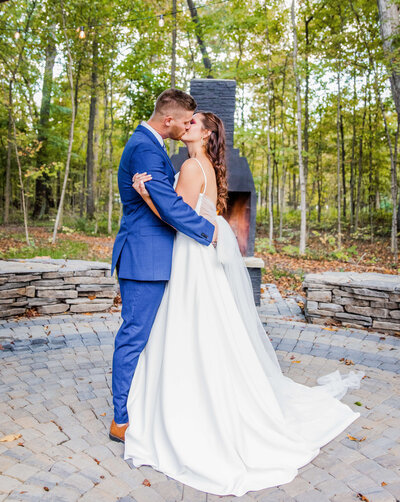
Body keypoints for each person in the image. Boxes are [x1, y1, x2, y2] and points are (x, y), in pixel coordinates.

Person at [125, 110, 364, 497]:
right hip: (201, 255)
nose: (186, 125)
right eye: (186, 121)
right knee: (210, 328)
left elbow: (175, 219)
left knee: (190, 326)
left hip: (192, 254)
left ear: (205, 134)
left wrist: (145, 194)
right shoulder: (207, 165)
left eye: (193, 122)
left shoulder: (190, 167)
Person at [109, 89, 217, 443]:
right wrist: (208, 229)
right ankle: (121, 420)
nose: (189, 126)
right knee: (134, 337)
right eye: (186, 120)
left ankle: (150, 407)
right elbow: (169, 206)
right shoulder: (144, 147)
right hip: (144, 259)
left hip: (159, 257)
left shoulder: (153, 146)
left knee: (155, 337)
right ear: (168, 120)